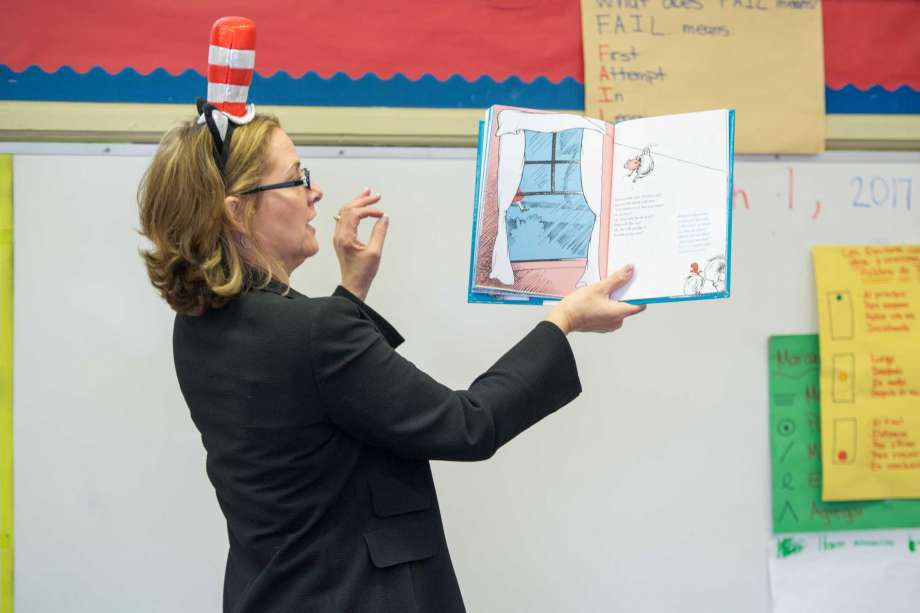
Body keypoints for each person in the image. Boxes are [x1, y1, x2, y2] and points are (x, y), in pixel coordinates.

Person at [139, 19, 644, 613]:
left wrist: (350, 290)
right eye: (297, 177)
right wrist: (563, 321)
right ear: (237, 212)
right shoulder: (313, 333)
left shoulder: (199, 326)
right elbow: (467, 424)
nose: (315, 192)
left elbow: (307, 401)